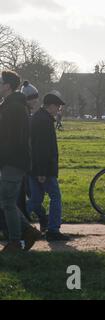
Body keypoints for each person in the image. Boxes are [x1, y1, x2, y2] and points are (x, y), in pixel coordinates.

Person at [0, 70, 42, 252]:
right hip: (11, 161)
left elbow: (12, 139)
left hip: (13, 161)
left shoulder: (14, 108)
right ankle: (27, 232)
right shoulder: (9, 105)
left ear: (8, 85)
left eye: (0, 82)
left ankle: (16, 241)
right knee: (6, 201)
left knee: (7, 202)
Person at [28, 91, 69, 242]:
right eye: (57, 106)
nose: (58, 109)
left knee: (35, 200)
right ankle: (53, 230)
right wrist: (42, 171)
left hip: (34, 167)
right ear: (50, 105)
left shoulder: (38, 118)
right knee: (55, 197)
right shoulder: (45, 121)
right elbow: (42, 148)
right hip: (44, 169)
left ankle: (9, 222)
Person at [20, 81, 49, 231]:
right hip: (24, 161)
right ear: (27, 98)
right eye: (33, 98)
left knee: (31, 194)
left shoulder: (28, 114)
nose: (36, 100)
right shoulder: (24, 114)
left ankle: (39, 220)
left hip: (26, 161)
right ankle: (42, 220)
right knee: (31, 194)